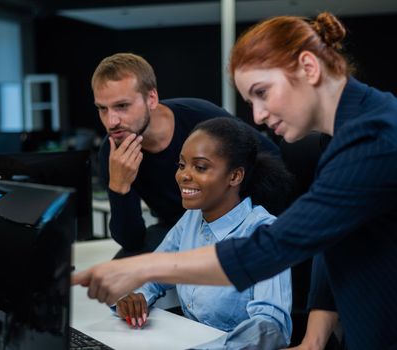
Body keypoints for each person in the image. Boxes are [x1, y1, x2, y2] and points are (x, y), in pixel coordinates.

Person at [74, 12, 397, 349]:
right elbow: (332, 239)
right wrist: (313, 338)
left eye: (262, 93)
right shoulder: (348, 133)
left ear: (309, 68)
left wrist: (143, 269)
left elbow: (280, 245)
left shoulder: (375, 138)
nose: (256, 116)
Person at [115, 117, 295, 349]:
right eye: (182, 165)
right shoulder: (192, 218)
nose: (184, 176)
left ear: (234, 176)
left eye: (200, 167)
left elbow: (271, 327)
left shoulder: (263, 233)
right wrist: (137, 296)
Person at [92, 53, 280, 257]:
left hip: (233, 221)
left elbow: (273, 160)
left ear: (151, 99)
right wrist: (119, 188)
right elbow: (132, 240)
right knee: (120, 272)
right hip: (175, 229)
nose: (111, 121)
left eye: (122, 106)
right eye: (102, 109)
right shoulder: (112, 152)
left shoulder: (199, 115)